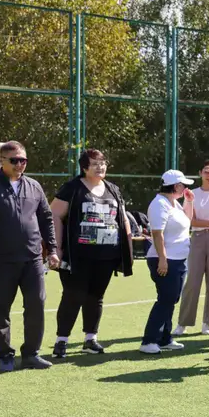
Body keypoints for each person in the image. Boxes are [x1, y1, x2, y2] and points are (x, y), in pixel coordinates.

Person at [0, 141, 59, 371]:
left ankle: (31, 353)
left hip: (32, 260)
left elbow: (46, 219)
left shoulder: (34, 187)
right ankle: (4, 354)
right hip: (2, 260)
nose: (20, 165)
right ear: (2, 161)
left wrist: (53, 249)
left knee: (36, 305)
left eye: (24, 160)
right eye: (15, 160)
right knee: (0, 310)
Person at [50, 149, 133, 358]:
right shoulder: (72, 188)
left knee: (96, 297)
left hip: (106, 256)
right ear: (84, 167)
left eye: (103, 163)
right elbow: (54, 216)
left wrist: (127, 247)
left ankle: (90, 339)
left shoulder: (113, 189)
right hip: (76, 256)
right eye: (95, 163)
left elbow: (122, 219)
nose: (100, 167)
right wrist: (57, 249)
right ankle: (62, 341)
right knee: (72, 296)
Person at [139, 170, 194, 354]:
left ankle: (164, 338)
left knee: (171, 299)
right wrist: (163, 259)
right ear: (176, 186)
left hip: (178, 259)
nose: (186, 188)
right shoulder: (159, 204)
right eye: (184, 185)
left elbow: (188, 221)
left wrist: (190, 201)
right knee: (166, 299)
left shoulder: (174, 204)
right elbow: (157, 233)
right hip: (165, 260)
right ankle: (149, 341)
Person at [173, 160, 209, 336]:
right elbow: (192, 220)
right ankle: (183, 322)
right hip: (197, 238)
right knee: (192, 282)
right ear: (200, 173)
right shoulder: (192, 193)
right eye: (206, 170)